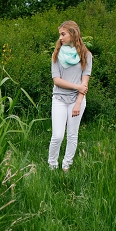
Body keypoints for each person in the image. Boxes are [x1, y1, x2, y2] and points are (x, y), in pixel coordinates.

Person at [48, 20, 92, 172]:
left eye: (63, 34)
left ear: (73, 34)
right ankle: (52, 166)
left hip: (77, 101)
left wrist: (79, 102)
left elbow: (85, 83)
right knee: (58, 136)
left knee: (72, 135)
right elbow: (57, 80)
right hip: (59, 99)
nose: (60, 37)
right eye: (60, 34)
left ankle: (66, 165)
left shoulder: (86, 55)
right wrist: (76, 86)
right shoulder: (56, 55)